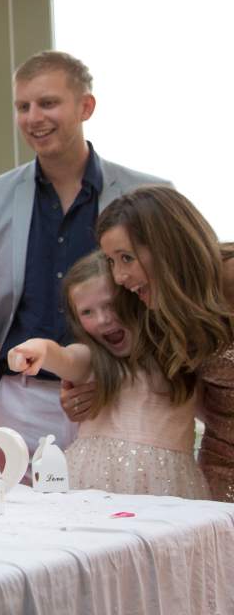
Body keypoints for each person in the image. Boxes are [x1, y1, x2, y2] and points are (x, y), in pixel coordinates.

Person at [0, 50, 166, 457]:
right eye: (23, 106)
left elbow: (167, 306)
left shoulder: (148, 195)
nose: (33, 117)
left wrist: (120, 382)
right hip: (15, 404)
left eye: (48, 103)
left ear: (86, 106)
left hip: (119, 399)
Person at [8, 252, 208, 497]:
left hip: (171, 488)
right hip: (92, 488)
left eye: (110, 304)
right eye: (87, 312)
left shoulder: (179, 354)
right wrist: (39, 348)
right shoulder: (93, 360)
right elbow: (65, 357)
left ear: (135, 298)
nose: (102, 319)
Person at [91, 186, 234, 501]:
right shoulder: (156, 308)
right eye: (111, 261)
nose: (119, 276)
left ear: (170, 247)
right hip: (219, 478)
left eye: (126, 258)